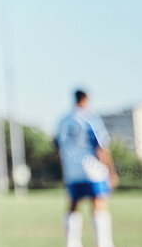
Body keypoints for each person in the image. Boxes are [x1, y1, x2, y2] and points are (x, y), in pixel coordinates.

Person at [54, 89, 117, 247]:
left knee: (73, 204)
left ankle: (72, 243)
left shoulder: (63, 120)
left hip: (71, 169)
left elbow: (57, 146)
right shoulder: (90, 118)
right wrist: (111, 171)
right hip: (91, 168)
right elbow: (101, 146)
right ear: (85, 99)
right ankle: (103, 243)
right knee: (99, 202)